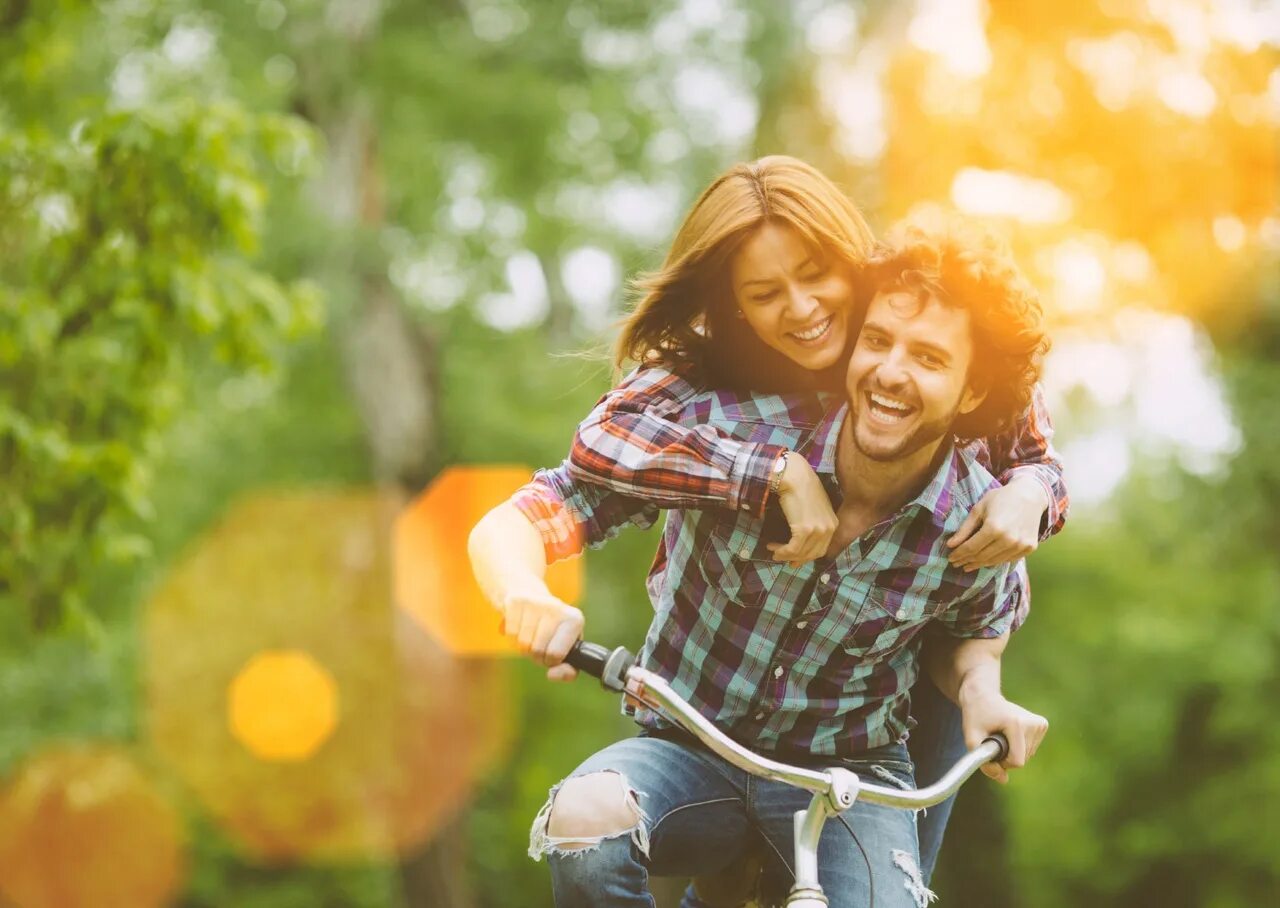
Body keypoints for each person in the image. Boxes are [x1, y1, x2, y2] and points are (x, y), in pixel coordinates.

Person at [480, 156, 1066, 897]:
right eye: (765, 292)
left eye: (817, 276)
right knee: (587, 824)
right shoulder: (714, 415)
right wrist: (523, 592)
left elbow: (987, 609)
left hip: (851, 765)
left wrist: (1036, 491)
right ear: (737, 309)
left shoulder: (975, 492)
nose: (802, 309)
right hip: (696, 741)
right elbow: (569, 478)